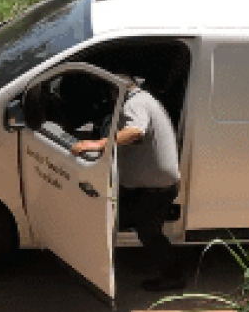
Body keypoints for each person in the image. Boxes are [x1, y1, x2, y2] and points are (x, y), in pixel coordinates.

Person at [71, 75, 184, 292]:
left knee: (148, 232)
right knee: (118, 219)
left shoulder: (134, 104)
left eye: (109, 91)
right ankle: (109, 267)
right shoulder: (143, 99)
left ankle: (173, 276)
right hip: (150, 184)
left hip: (155, 187)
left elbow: (135, 131)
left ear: (118, 89)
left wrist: (98, 144)